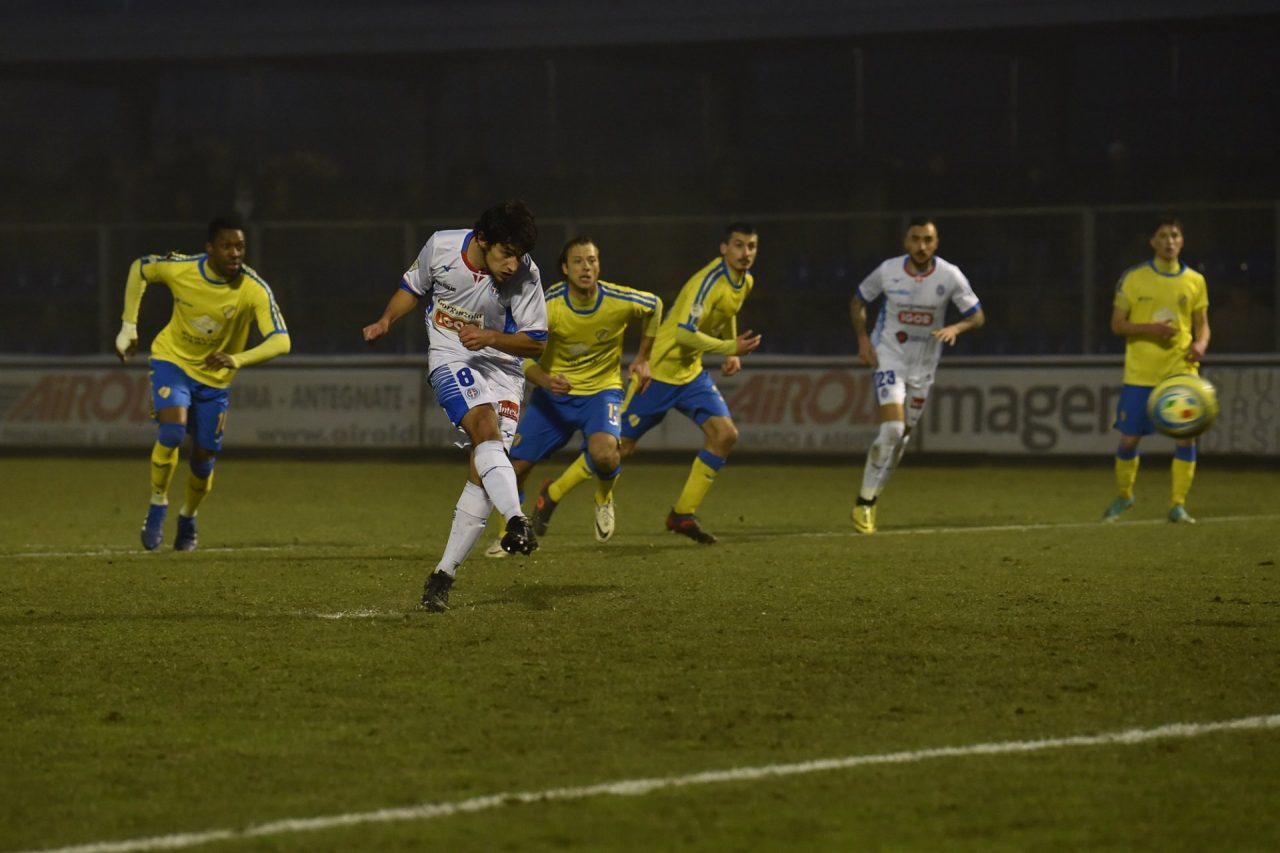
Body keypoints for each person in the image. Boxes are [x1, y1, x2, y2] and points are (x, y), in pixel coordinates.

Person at [362, 200, 547, 613]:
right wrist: (386, 320)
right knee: (484, 427)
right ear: (482, 240)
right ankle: (517, 519)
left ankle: (442, 575)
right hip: (451, 357)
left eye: (519, 255)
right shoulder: (442, 247)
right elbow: (413, 287)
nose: (513, 264)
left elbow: (536, 340)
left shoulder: (526, 275)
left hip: (504, 371)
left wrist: (491, 339)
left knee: (484, 470)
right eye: (505, 253)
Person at [561, 222, 762, 545]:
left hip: (690, 373)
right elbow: (683, 332)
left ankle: (682, 514)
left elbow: (728, 310)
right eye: (739, 245)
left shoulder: (745, 281)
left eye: (751, 246)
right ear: (724, 249)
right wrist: (728, 347)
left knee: (725, 435)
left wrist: (730, 344)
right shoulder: (706, 282)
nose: (746, 253)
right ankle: (553, 493)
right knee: (618, 449)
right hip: (660, 371)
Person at [115, 215, 291, 552]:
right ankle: (157, 505)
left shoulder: (253, 288)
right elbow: (141, 268)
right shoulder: (182, 269)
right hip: (173, 362)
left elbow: (281, 341)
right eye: (226, 246)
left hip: (214, 380)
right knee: (171, 433)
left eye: (239, 246)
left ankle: (188, 517)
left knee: (203, 456)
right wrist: (128, 326)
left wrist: (237, 359)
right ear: (209, 249)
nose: (234, 253)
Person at [483, 237, 663, 556]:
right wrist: (548, 381)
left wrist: (643, 358)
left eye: (592, 260)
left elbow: (655, 306)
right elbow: (521, 357)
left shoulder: (617, 300)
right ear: (565, 269)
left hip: (601, 392)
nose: (586, 267)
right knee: (516, 468)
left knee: (607, 454)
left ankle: (604, 497)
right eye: (578, 261)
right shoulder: (548, 306)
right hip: (553, 396)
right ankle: (510, 534)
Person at [849, 217, 984, 534]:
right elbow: (858, 302)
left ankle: (873, 495)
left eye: (928, 240)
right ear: (905, 242)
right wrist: (864, 340)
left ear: (936, 243)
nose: (921, 246)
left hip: (924, 367)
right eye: (916, 239)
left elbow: (977, 315)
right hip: (889, 357)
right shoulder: (888, 270)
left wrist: (956, 327)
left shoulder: (950, 275)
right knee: (893, 429)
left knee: (902, 439)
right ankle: (864, 504)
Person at [1102, 215, 1210, 524]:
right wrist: (1150, 328)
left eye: (1175, 235)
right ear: (1152, 242)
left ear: (1182, 240)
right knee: (1128, 440)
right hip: (1141, 373)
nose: (1169, 241)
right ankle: (1125, 496)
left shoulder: (1195, 281)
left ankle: (1177, 504)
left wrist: (1201, 344)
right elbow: (1117, 325)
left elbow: (1203, 328)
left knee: (1186, 438)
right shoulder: (1134, 278)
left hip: (1181, 372)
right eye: (1163, 236)